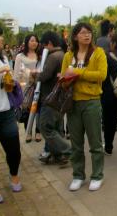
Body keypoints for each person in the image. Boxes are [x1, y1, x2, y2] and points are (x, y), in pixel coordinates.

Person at [61, 23, 107, 192]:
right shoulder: (68, 56)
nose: (87, 35)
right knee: (76, 143)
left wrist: (78, 73)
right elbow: (64, 76)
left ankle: (97, 175)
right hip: (72, 102)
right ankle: (78, 175)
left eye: (89, 32)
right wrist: (65, 78)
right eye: (83, 33)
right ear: (75, 37)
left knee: (95, 142)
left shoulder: (98, 53)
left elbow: (101, 75)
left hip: (92, 102)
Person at [0, 24, 22, 204]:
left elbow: (5, 80)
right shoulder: (1, 63)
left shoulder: (1, 56)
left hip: (6, 111)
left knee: (14, 149)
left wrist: (11, 81)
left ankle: (14, 176)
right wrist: (3, 70)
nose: (2, 39)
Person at [38, 31, 71, 165]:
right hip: (60, 98)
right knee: (57, 128)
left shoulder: (53, 57)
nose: (44, 48)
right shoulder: (62, 55)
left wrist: (34, 75)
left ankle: (68, 150)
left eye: (44, 45)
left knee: (45, 127)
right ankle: (59, 155)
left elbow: (44, 76)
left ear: (49, 44)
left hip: (51, 98)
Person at [13, 34, 41, 142]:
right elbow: (16, 74)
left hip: (38, 86)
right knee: (27, 109)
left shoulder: (40, 55)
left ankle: (38, 132)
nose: (34, 43)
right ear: (27, 42)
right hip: (26, 86)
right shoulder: (20, 56)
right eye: (32, 41)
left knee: (38, 109)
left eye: (36, 41)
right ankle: (28, 131)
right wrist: (17, 88)